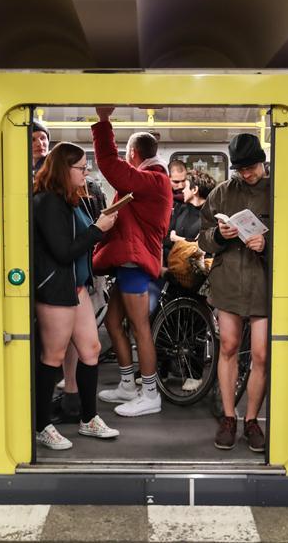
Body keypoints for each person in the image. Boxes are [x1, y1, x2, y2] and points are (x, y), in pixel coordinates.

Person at [33, 141, 120, 450]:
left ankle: (89, 418)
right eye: (81, 168)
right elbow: (63, 251)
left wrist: (100, 227)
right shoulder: (47, 203)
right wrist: (97, 229)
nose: (86, 172)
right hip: (57, 288)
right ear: (64, 169)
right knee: (53, 356)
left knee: (91, 349)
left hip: (77, 285)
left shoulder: (71, 200)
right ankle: (42, 424)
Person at [91, 106, 172, 417]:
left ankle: (150, 393)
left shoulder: (154, 181)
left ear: (134, 154)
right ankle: (127, 384)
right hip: (128, 262)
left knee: (140, 328)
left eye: (128, 156)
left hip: (136, 265)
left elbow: (111, 167)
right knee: (113, 323)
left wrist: (103, 122)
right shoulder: (149, 181)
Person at [198, 133, 270, 452]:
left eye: (251, 167)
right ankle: (229, 417)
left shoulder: (280, 193)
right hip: (228, 281)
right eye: (240, 169)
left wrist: (268, 245)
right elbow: (201, 239)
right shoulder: (222, 193)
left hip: (264, 283)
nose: (246, 174)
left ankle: (252, 419)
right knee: (227, 346)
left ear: (263, 161)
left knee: (261, 355)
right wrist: (220, 234)